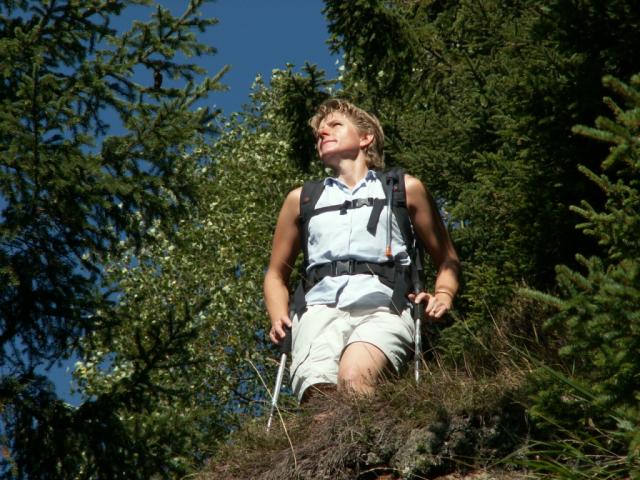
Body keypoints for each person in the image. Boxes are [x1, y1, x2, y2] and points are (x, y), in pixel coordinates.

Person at [263, 99, 460, 402]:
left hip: (384, 305)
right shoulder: (301, 200)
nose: (323, 133)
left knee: (355, 377)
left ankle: (373, 434)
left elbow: (446, 257)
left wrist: (443, 295)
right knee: (321, 403)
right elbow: (276, 274)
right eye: (319, 132)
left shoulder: (402, 189)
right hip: (316, 312)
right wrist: (278, 315)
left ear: (366, 138)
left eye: (335, 125)